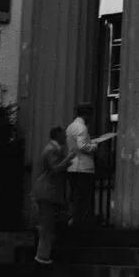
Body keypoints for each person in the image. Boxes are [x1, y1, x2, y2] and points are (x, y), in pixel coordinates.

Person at [32, 126, 73, 265]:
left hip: (50, 192)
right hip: (47, 192)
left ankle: (45, 253)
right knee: (47, 224)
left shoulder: (55, 149)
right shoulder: (51, 150)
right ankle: (42, 255)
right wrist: (69, 158)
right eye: (64, 136)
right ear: (58, 136)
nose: (66, 138)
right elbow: (55, 169)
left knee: (51, 222)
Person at [65, 102, 97, 231]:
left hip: (72, 166)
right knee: (83, 198)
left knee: (75, 196)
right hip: (83, 167)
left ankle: (73, 220)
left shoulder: (70, 127)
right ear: (86, 115)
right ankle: (79, 223)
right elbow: (82, 145)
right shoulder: (82, 128)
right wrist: (94, 146)